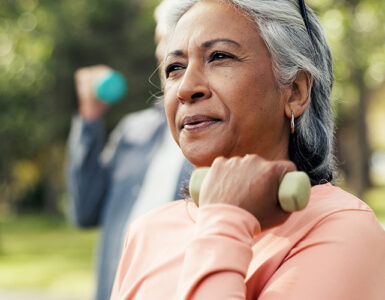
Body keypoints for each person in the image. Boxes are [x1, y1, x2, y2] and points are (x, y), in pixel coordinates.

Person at [110, 0, 385, 299]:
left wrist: (224, 219)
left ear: (295, 91)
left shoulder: (345, 228)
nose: (187, 88)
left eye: (219, 57)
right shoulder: (148, 231)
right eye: (175, 67)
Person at [66, 1, 193, 300]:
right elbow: (84, 211)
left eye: (174, 38)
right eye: (161, 41)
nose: (163, 52)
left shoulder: (220, 137)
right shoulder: (132, 131)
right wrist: (90, 119)